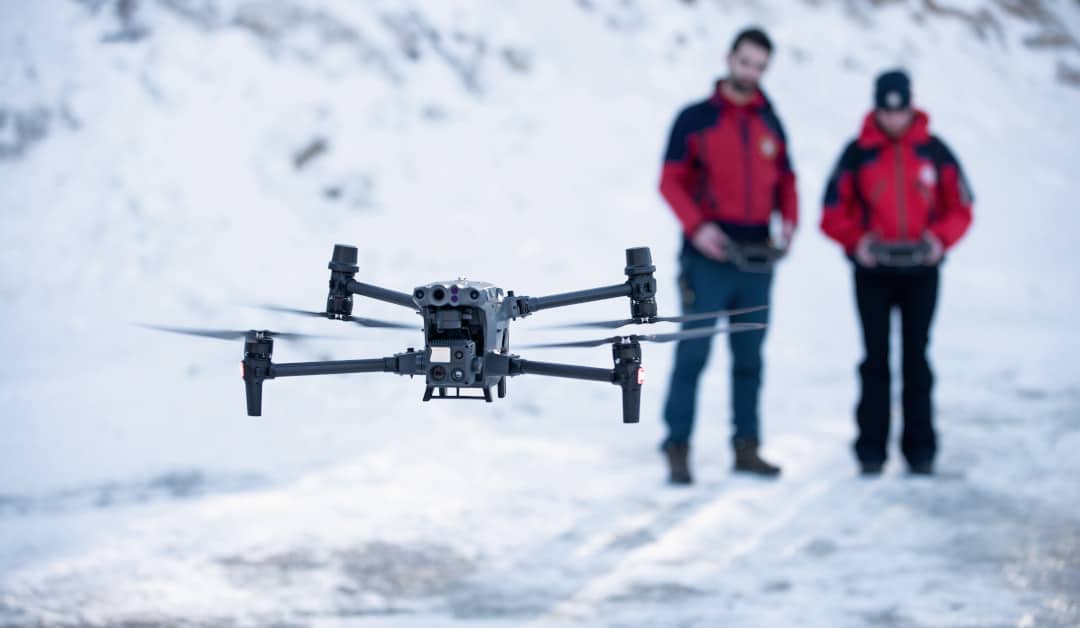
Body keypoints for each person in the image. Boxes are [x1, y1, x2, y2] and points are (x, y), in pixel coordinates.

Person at [658, 27, 798, 484]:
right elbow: (670, 181)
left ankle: (747, 447)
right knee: (693, 354)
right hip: (708, 258)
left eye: (760, 66)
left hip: (757, 260)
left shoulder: (770, 121)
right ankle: (677, 445)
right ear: (729, 58)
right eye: (745, 62)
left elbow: (787, 179)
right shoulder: (695, 119)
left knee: (749, 358)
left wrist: (789, 222)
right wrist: (698, 228)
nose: (751, 72)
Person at [820, 69, 973, 476]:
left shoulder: (934, 151)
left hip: (922, 271)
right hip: (873, 272)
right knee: (875, 359)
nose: (893, 118)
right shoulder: (857, 154)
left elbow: (961, 207)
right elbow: (831, 212)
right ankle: (871, 450)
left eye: (900, 110)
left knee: (916, 357)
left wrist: (940, 239)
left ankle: (920, 450)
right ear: (876, 108)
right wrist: (857, 241)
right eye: (886, 111)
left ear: (910, 106)